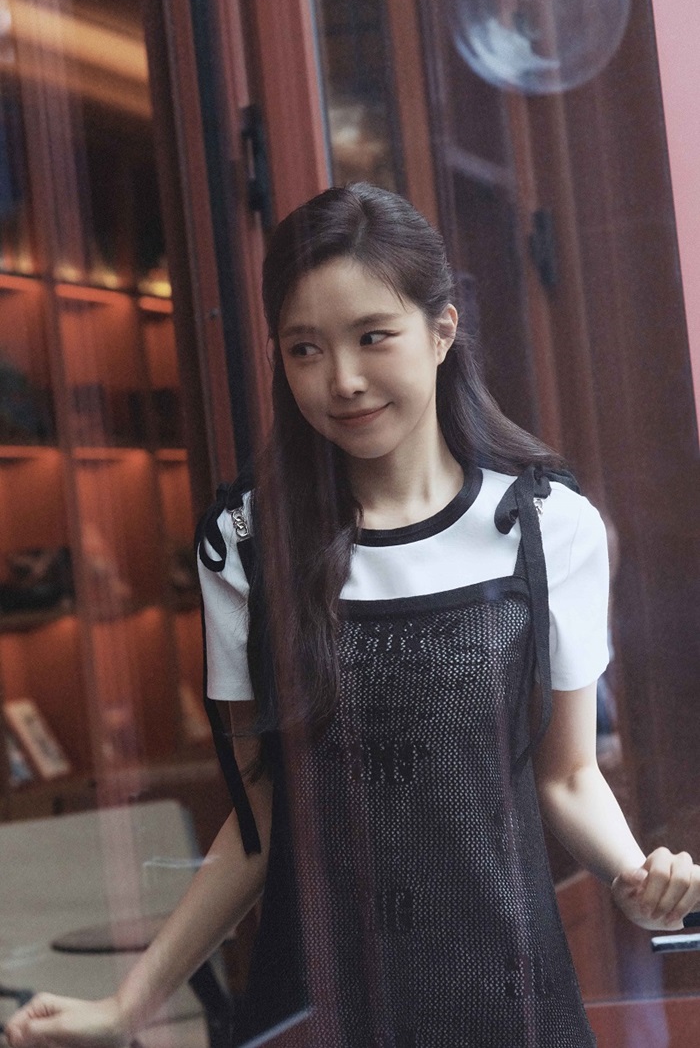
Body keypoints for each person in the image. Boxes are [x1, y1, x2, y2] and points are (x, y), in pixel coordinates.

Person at [6, 183, 700, 1047]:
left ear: (441, 331)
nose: (341, 380)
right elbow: (261, 818)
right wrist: (126, 1006)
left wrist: (638, 876)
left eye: (373, 336)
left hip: (509, 1000)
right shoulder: (246, 544)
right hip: (322, 1007)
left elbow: (565, 776)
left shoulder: (547, 526)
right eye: (305, 349)